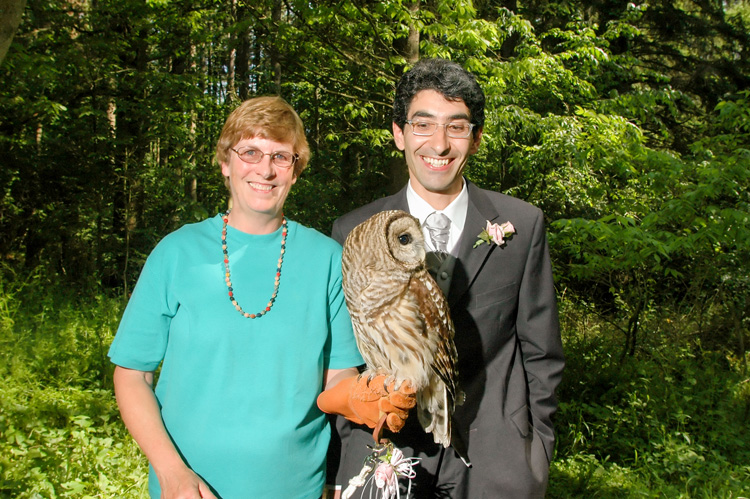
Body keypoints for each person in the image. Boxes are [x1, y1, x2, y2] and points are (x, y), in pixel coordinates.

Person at [109, 96, 413, 498]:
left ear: (295, 170)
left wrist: (362, 399)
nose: (265, 170)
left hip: (294, 487)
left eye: (281, 157)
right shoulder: (176, 253)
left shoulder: (328, 260)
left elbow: (337, 373)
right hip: (188, 488)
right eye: (250, 152)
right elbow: (132, 374)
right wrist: (171, 472)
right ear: (225, 162)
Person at [328, 58, 565, 498]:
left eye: (456, 127)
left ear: (475, 139)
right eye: (423, 125)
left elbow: (542, 354)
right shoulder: (352, 230)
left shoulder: (521, 224)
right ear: (398, 133)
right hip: (386, 454)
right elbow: (341, 359)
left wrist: (536, 456)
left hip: (497, 459)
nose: (439, 144)